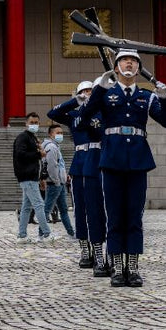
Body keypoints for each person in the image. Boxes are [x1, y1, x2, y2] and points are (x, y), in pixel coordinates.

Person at [78, 49, 166, 287]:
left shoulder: (145, 96)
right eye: (124, 60)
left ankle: (132, 268)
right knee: (114, 216)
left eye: (133, 61)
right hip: (111, 158)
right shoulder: (106, 93)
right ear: (116, 67)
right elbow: (84, 116)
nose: (129, 64)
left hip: (138, 160)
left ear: (138, 68)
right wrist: (99, 88)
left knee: (134, 216)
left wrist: (164, 99)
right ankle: (117, 268)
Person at [48, 80, 107, 273]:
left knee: (96, 210)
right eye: (84, 92)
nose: (87, 94)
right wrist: (75, 101)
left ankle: (99, 254)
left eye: (90, 91)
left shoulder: (102, 112)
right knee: (80, 211)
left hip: (97, 161)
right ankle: (85, 251)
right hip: (80, 163)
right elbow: (53, 114)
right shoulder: (74, 114)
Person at [13, 112, 51, 241]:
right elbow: (20, 154)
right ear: (26, 123)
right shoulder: (23, 137)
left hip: (31, 176)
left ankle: (22, 235)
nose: (34, 125)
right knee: (39, 204)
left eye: (36, 123)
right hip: (26, 175)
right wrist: (38, 154)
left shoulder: (32, 138)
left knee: (26, 207)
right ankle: (47, 234)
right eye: (32, 123)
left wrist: (40, 177)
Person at [41, 125, 75, 239]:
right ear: (51, 134)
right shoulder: (51, 147)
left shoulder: (55, 146)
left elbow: (59, 165)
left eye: (61, 132)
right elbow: (52, 166)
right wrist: (56, 181)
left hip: (60, 183)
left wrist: (63, 178)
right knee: (47, 209)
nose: (60, 135)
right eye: (58, 132)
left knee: (63, 209)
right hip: (55, 183)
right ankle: (42, 233)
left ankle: (71, 232)